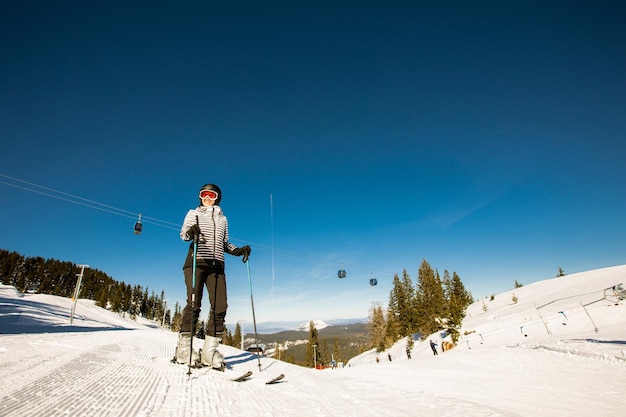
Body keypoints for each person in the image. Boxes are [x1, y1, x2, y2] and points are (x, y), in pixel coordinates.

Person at [174, 183, 251, 369]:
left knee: (220, 306)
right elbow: (184, 234)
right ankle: (184, 350)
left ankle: (209, 351)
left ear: (218, 198)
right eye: (204, 194)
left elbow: (224, 243)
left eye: (211, 195)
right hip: (196, 263)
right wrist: (191, 232)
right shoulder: (194, 213)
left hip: (217, 266)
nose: (207, 197)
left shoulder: (223, 219)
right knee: (194, 304)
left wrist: (238, 250)